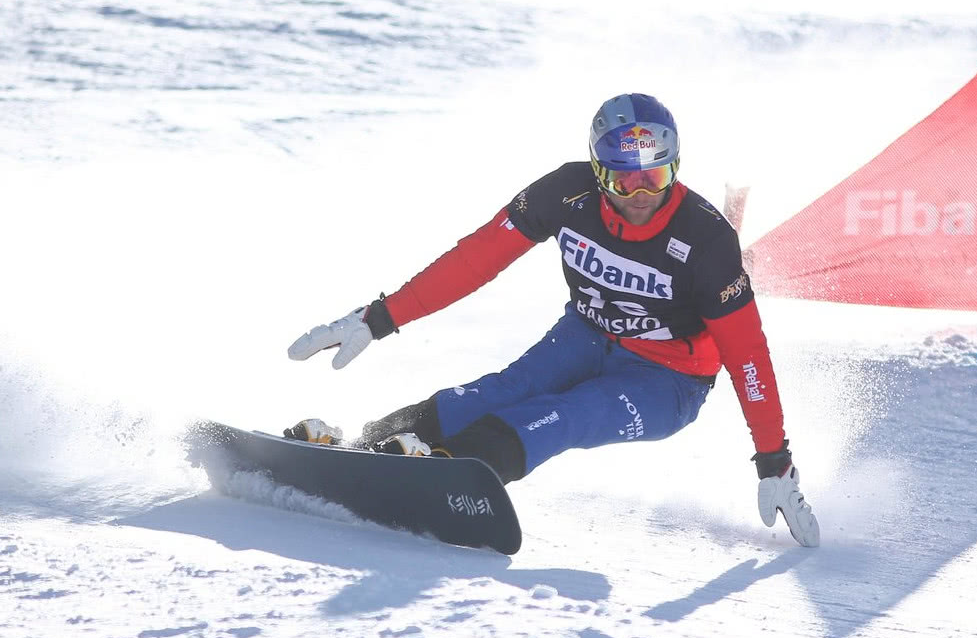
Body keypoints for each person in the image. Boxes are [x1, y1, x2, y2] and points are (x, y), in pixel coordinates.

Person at [287, 93, 820, 547]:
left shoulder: (705, 240)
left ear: (675, 167)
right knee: (492, 394)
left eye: (655, 177)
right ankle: (365, 449)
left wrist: (773, 457)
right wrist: (380, 316)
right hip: (587, 334)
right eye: (622, 180)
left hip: (669, 379)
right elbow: (475, 259)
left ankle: (449, 469)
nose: (640, 197)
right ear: (596, 172)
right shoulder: (567, 193)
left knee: (565, 413)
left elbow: (747, 354)